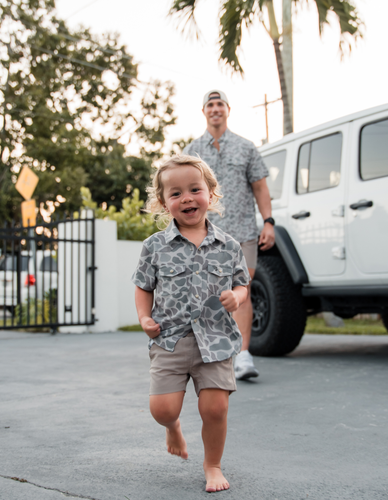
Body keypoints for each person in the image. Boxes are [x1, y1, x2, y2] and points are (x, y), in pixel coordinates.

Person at [132, 155, 250, 493]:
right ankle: (173, 427)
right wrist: (144, 317)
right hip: (169, 338)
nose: (186, 198)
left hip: (216, 338)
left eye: (194, 189)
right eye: (175, 193)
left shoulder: (228, 246)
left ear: (210, 195)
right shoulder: (154, 247)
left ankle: (212, 464)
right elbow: (143, 286)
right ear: (163, 202)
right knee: (162, 409)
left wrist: (237, 297)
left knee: (216, 408)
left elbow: (243, 283)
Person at [183, 90, 275, 380]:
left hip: (243, 233)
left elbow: (260, 187)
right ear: (204, 112)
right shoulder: (192, 150)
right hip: (203, 234)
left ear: (228, 110)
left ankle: (243, 355)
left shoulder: (246, 148)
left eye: (219, 104)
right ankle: (212, 352)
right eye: (210, 105)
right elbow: (182, 191)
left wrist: (269, 222)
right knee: (207, 294)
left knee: (241, 291)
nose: (215, 109)